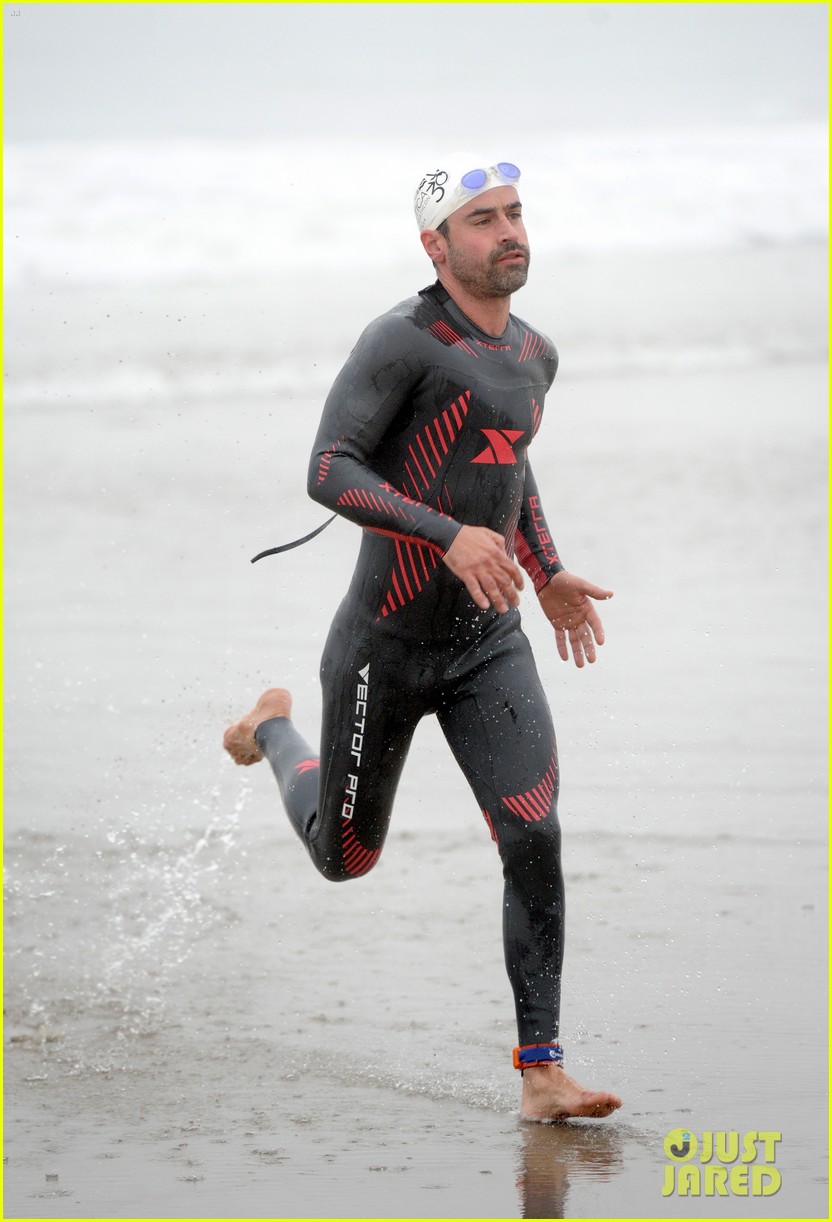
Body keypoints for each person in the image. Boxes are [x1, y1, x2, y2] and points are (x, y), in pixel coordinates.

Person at [224, 159, 622, 1122]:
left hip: (490, 642)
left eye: (516, 214)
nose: (507, 232)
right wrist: (443, 536)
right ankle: (273, 729)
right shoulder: (400, 342)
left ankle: (542, 1072)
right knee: (344, 858)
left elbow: (509, 472)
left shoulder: (536, 353)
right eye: (482, 220)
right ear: (435, 246)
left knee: (533, 830)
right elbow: (328, 469)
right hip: (383, 649)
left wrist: (550, 567)